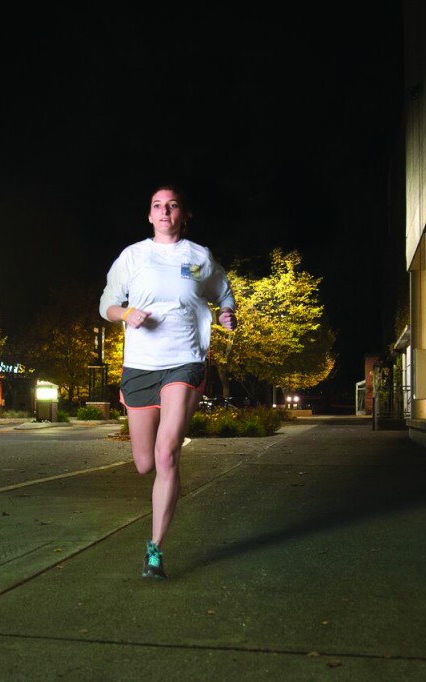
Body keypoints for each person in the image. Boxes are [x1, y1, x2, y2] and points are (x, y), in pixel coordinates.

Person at [99, 184, 237, 579]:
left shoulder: (198, 257)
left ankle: (155, 549)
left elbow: (224, 293)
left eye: (172, 205)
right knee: (145, 463)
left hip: (185, 360)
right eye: (158, 205)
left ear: (183, 215)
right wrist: (126, 314)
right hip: (140, 366)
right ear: (149, 215)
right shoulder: (133, 256)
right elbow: (107, 304)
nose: (165, 211)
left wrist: (227, 313)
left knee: (166, 454)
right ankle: (159, 508)